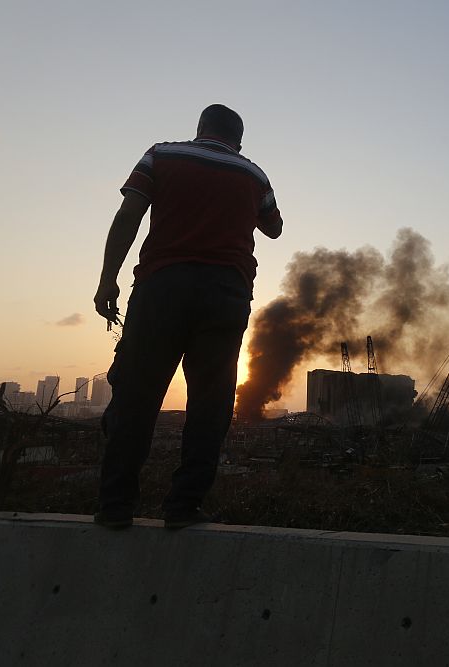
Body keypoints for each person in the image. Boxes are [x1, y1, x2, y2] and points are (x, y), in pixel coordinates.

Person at [92, 104, 282, 529]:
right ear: (238, 140)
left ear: (200, 129)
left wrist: (108, 281)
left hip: (162, 287)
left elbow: (129, 215)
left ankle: (115, 506)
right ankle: (183, 507)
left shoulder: (161, 155)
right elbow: (275, 228)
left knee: (136, 394)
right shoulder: (254, 175)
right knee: (211, 403)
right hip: (225, 295)